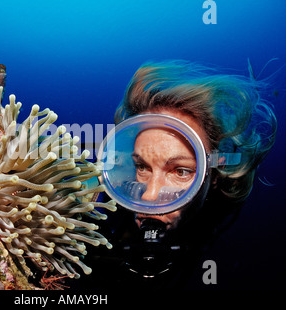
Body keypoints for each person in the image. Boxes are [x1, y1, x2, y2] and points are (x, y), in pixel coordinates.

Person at [77, 60, 277, 289]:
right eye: (142, 167)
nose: (150, 197)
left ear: (214, 175)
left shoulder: (236, 254)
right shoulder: (93, 212)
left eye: (181, 171)